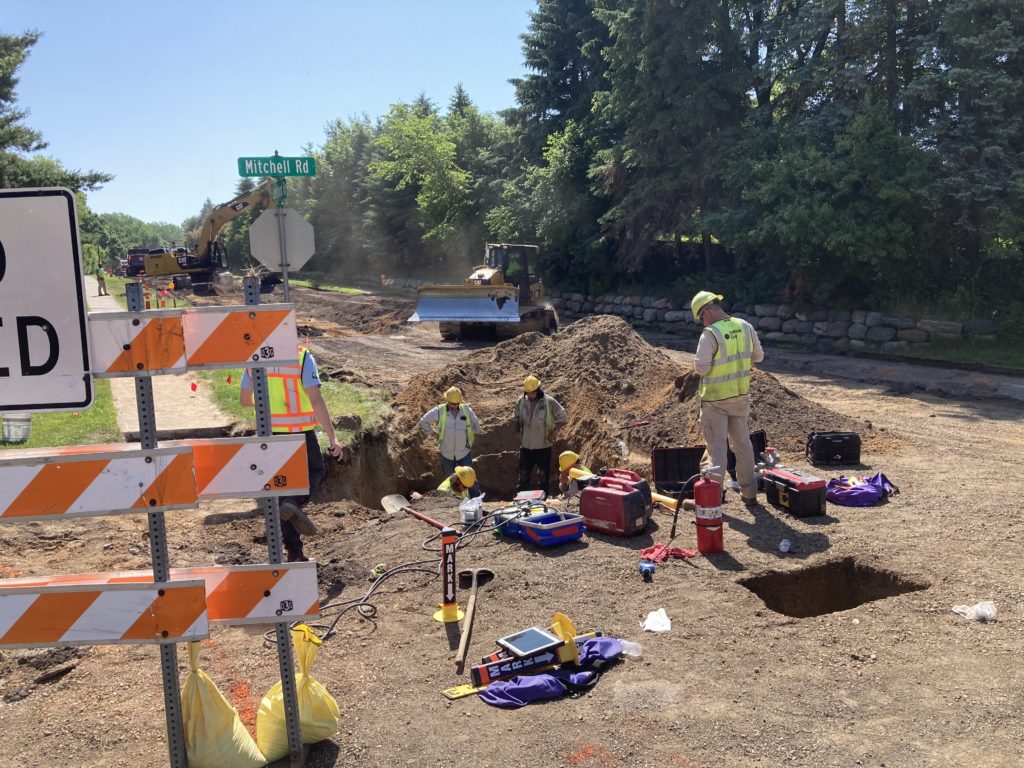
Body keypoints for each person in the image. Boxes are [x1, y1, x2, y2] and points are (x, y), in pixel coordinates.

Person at [240, 346, 344, 562]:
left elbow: (244, 399)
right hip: (300, 433)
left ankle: (295, 552)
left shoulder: (254, 357)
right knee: (314, 472)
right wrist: (333, 437)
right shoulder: (301, 356)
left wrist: (266, 405)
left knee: (281, 494)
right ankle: (295, 501)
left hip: (269, 435)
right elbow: (315, 398)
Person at [690, 291, 764, 508]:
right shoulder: (745, 326)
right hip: (740, 397)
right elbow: (758, 357)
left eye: (701, 317)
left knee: (716, 450)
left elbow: (701, 368)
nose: (702, 321)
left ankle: (710, 499)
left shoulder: (710, 334)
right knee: (743, 445)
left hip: (715, 400)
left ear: (707, 311)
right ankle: (749, 494)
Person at [514, 374, 568, 494]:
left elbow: (563, 417)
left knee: (543, 476)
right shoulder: (521, 402)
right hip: (526, 447)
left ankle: (543, 498)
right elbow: (516, 418)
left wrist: (555, 431)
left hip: (543, 447)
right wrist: (517, 432)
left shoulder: (549, 402)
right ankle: (521, 497)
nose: (530, 395)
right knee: (523, 475)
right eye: (528, 393)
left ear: (538, 390)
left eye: (532, 393)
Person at [418, 386, 481, 477]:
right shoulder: (439, 411)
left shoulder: (466, 410)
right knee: (450, 479)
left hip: (464, 452)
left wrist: (472, 434)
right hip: (446, 453)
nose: (455, 406)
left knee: (468, 478)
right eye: (452, 403)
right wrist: (433, 433)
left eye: (457, 403)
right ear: (447, 400)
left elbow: (476, 423)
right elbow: (423, 421)